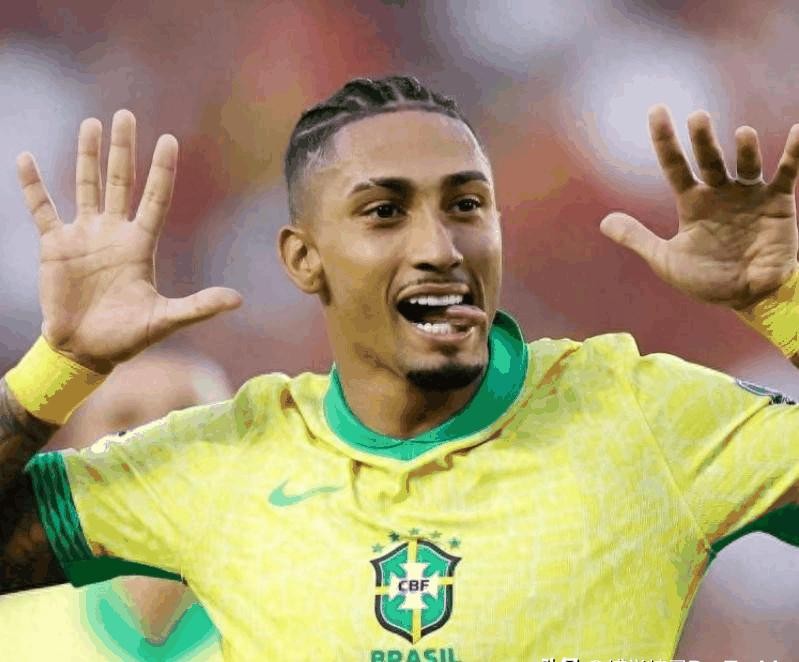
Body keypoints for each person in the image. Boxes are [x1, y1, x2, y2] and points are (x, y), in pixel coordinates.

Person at [0, 75, 798, 660]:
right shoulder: (226, 462)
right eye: (384, 212)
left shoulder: (640, 415)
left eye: (465, 205)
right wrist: (61, 366)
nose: (439, 248)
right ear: (304, 259)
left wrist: (782, 303)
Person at [0, 348, 228, 660]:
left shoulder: (285, 607)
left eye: (186, 420)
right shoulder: (13, 623)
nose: (153, 444)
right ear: (70, 449)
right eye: (122, 425)